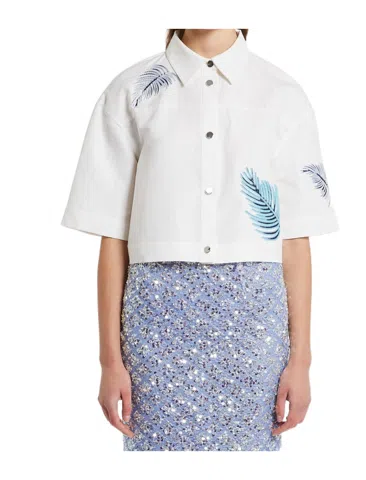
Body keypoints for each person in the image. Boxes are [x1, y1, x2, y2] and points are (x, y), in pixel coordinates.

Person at [62, 28, 338, 451]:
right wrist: (109, 361)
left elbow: (295, 241)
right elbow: (113, 239)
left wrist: (301, 361)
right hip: (154, 323)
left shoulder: (283, 94)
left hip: (254, 324)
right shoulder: (130, 91)